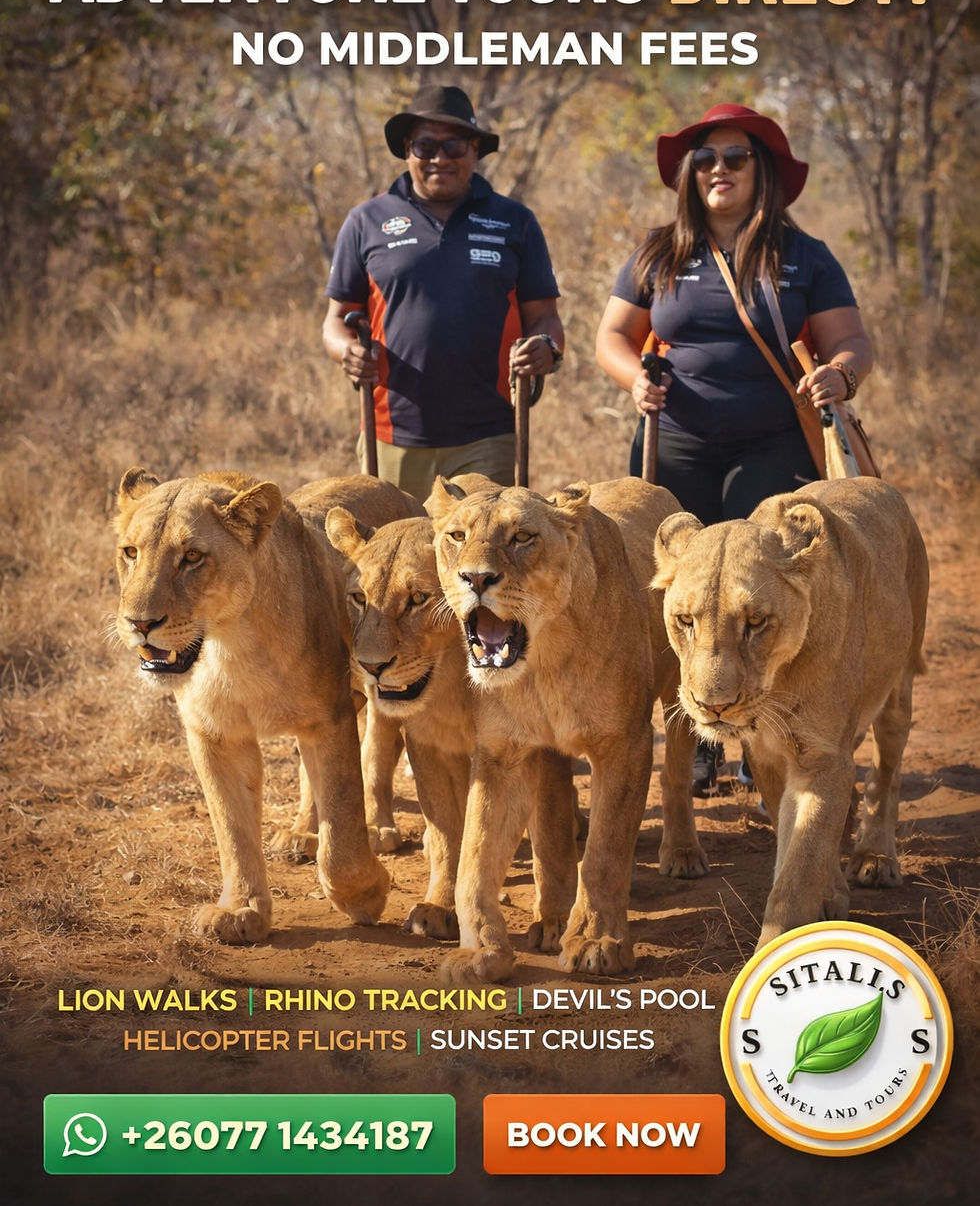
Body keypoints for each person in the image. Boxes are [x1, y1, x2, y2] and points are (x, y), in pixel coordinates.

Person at [595, 102, 873, 794]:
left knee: (757, 600)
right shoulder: (659, 251)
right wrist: (637, 380)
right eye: (707, 159)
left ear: (763, 172)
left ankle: (762, 740)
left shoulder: (803, 255)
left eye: (736, 158)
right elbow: (612, 339)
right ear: (690, 174)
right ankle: (688, 741)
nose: (720, 169)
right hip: (677, 441)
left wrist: (839, 373)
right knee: (683, 603)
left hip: (775, 445)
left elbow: (852, 342)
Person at [323, 84, 563, 501]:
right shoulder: (367, 220)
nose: (439, 159)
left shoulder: (514, 221)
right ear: (406, 149)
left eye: (453, 146)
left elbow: (544, 316)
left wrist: (546, 347)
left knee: (482, 561)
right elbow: (336, 318)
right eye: (425, 146)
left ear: (474, 150)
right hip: (390, 434)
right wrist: (347, 351)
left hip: (488, 436)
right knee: (396, 558)